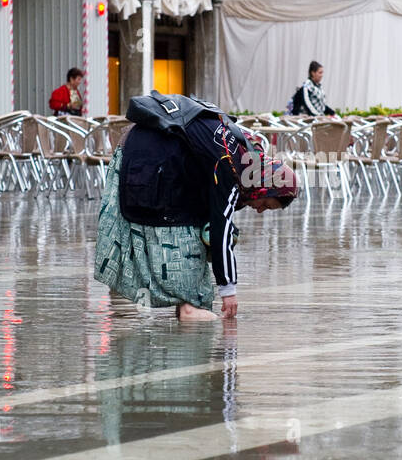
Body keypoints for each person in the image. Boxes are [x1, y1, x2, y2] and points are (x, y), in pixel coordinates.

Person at [95, 92, 300, 321]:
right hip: (146, 159)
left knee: (194, 268)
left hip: (148, 150)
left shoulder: (247, 155)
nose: (260, 210)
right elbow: (221, 228)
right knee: (191, 298)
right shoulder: (234, 170)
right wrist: (228, 291)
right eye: (266, 204)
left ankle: (176, 305)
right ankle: (188, 310)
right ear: (265, 187)